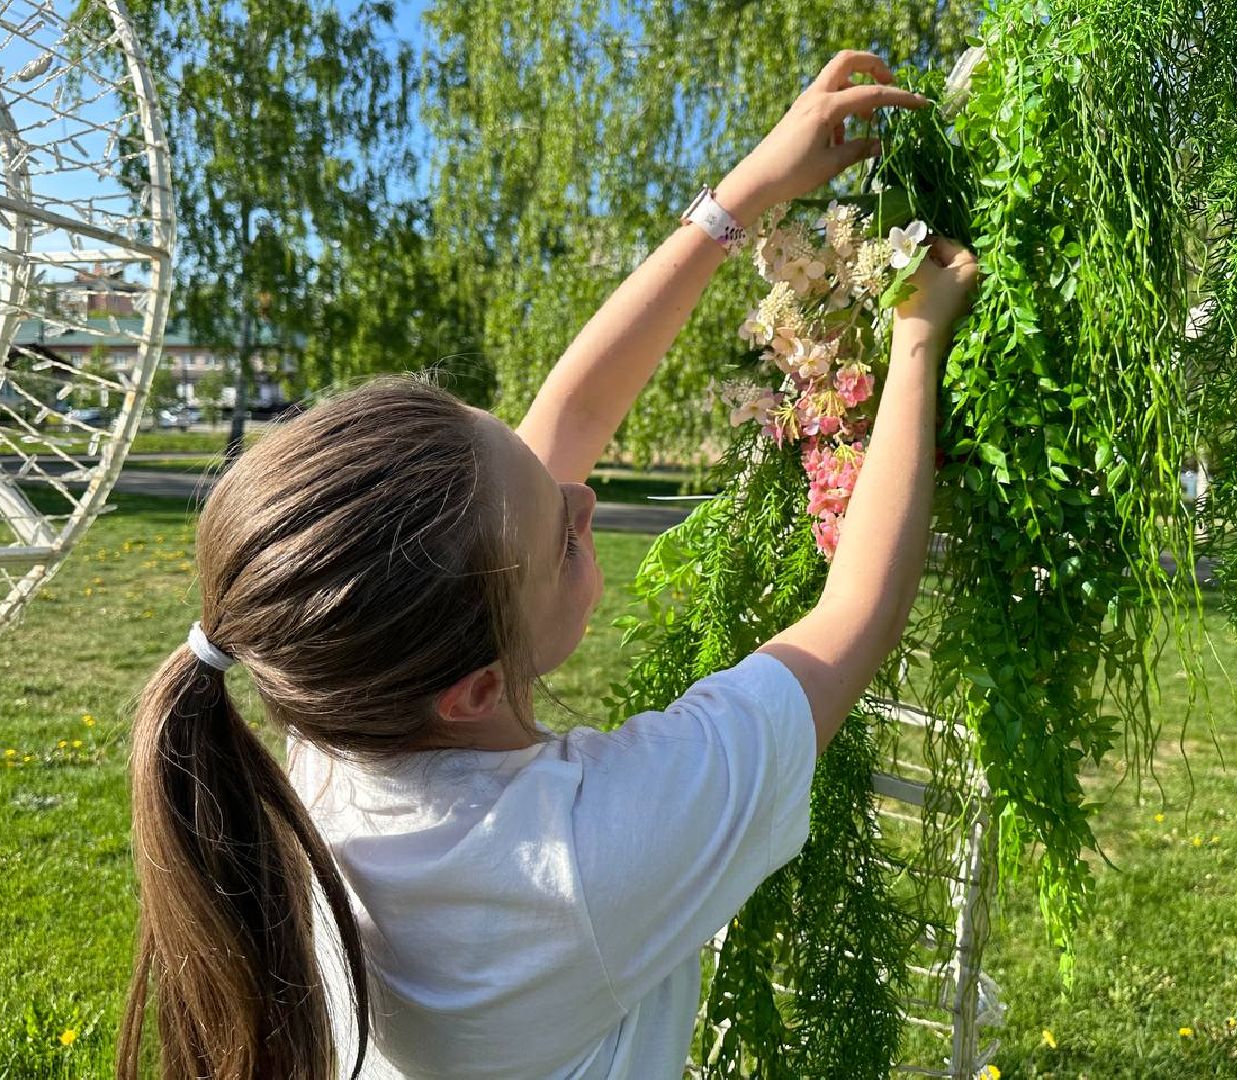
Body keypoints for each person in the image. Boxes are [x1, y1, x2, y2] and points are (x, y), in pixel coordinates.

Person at [118, 50, 977, 1080]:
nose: (584, 498)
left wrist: (744, 193)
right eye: (561, 537)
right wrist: (917, 341)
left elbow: (564, 424)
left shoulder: (339, 721)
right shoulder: (583, 859)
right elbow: (852, 618)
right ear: (475, 689)